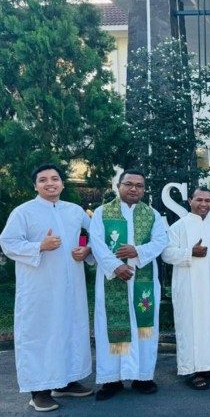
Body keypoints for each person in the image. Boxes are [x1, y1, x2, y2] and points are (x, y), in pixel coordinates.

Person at [0, 164, 94, 412]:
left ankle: (67, 381)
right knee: (41, 334)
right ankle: (39, 390)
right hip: (39, 288)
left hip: (71, 286)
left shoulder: (75, 211)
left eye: (55, 178)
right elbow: (8, 243)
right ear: (35, 186)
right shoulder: (24, 212)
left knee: (71, 329)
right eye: (43, 180)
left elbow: (96, 233)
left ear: (63, 183)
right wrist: (39, 246)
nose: (50, 183)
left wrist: (86, 250)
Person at [89, 169, 168, 401]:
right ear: (118, 185)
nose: (134, 189)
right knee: (110, 328)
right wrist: (115, 266)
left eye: (139, 185)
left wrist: (138, 251)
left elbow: (161, 241)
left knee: (144, 328)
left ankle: (143, 377)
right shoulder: (103, 213)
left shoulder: (152, 214)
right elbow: (97, 243)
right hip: (112, 280)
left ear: (144, 189)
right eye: (129, 184)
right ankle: (111, 380)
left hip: (142, 281)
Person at [162, 187, 210, 390]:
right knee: (191, 326)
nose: (204, 204)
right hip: (189, 288)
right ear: (189, 200)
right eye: (199, 200)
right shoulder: (179, 227)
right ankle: (192, 369)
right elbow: (166, 254)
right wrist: (190, 252)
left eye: (208, 201)